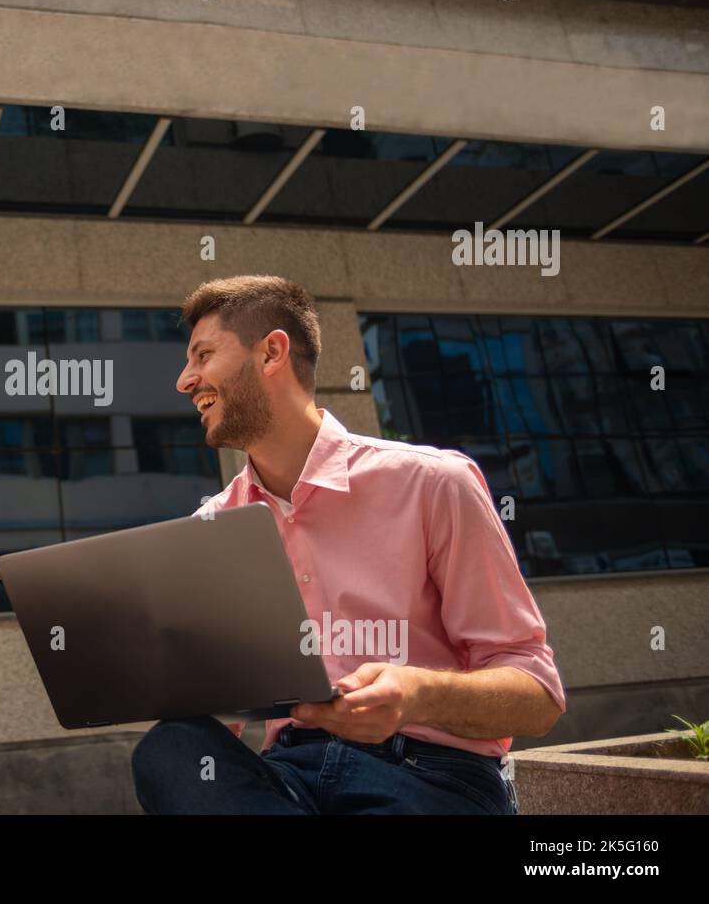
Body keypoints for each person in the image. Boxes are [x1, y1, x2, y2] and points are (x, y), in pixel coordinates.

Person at [131, 274, 566, 814]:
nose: (184, 380)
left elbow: (538, 697)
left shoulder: (432, 483)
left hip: (429, 774)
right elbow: (216, 704)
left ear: (271, 353)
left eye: (202, 355)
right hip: (289, 779)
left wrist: (415, 695)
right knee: (171, 747)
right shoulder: (211, 526)